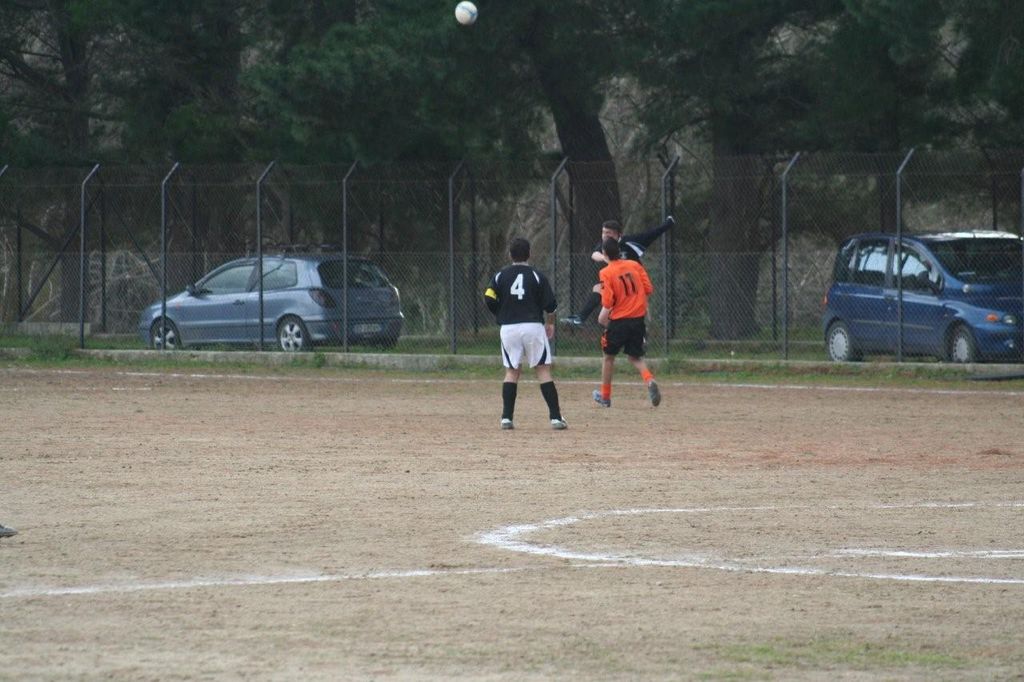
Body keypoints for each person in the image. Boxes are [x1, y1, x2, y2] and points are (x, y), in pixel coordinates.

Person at [484, 237, 568, 431]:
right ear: (529, 254)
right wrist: (550, 323)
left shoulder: (500, 276)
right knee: (542, 369)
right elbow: (551, 305)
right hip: (532, 326)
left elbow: (488, 298)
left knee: (512, 371)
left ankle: (506, 418)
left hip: (509, 328)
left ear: (510, 255)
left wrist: (501, 312)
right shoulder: (537, 276)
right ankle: (556, 418)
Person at [561, 215, 674, 327]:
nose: (605, 236)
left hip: (634, 284)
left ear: (618, 234)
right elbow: (594, 254)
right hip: (620, 284)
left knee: (636, 314)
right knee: (601, 300)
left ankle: (636, 332)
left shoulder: (630, 242)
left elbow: (652, 234)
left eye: (608, 233)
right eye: (603, 232)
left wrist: (668, 223)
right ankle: (582, 318)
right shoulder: (605, 245)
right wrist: (604, 258)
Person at [593, 237, 661, 408]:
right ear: (619, 251)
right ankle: (649, 379)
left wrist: (601, 293)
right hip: (638, 319)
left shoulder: (606, 272)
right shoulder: (634, 265)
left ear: (604, 254)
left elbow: (608, 301)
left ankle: (605, 396)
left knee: (608, 357)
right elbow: (648, 288)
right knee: (635, 356)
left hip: (619, 321)